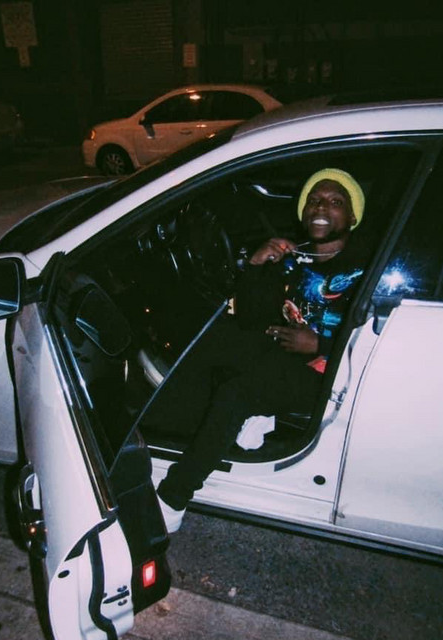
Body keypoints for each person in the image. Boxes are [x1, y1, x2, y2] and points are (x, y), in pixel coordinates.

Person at [156, 168, 371, 533]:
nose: (321, 207)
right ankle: (161, 435)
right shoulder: (295, 260)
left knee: (238, 391)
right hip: (285, 353)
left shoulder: (363, 268)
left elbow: (373, 342)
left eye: (335, 201)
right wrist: (256, 265)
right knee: (212, 339)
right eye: (314, 200)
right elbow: (252, 318)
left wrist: (320, 345)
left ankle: (174, 496)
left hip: (331, 374)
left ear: (352, 217)